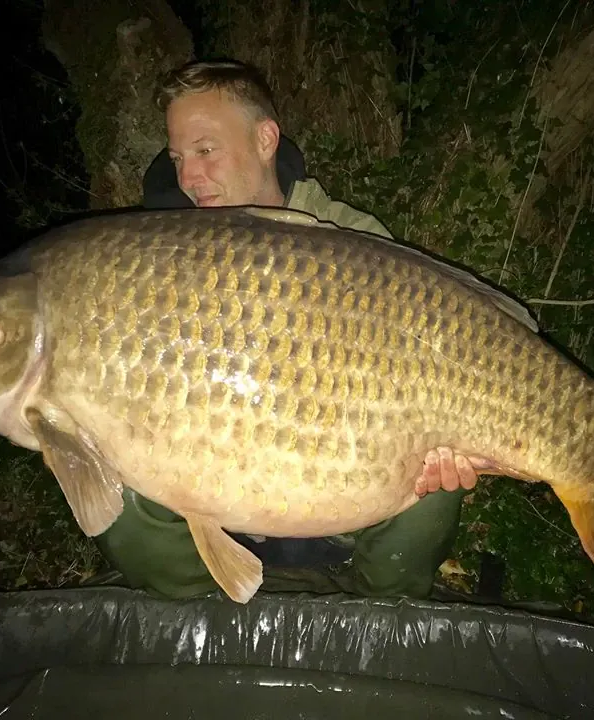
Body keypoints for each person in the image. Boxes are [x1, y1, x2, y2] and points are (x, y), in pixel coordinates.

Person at [90, 59, 472, 602]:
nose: (189, 178)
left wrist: (436, 445)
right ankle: (204, 621)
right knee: (112, 482)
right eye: (177, 159)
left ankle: (376, 619)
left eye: (206, 150)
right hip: (206, 488)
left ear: (265, 139)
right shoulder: (153, 255)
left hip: (340, 485)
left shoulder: (351, 237)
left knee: (431, 481)